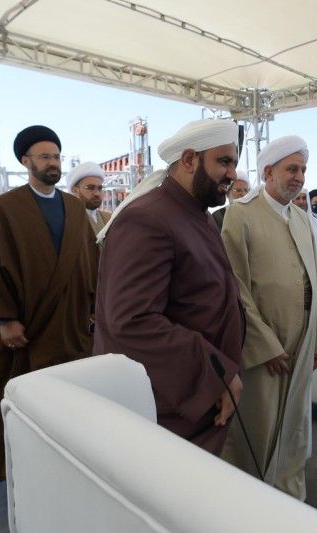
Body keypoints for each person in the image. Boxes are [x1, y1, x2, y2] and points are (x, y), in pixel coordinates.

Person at [93, 119, 244, 455]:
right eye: (224, 161)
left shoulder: (198, 214)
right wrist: (213, 374)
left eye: (233, 163)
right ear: (189, 160)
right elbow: (133, 319)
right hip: (169, 405)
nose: (232, 174)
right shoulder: (148, 218)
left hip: (198, 403)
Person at [0, 125, 97, 481]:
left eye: (56, 157)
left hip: (69, 328)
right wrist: (4, 318)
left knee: (72, 412)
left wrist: (94, 305)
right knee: (27, 414)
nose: (53, 163)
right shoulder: (3, 208)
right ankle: (26, 478)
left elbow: (90, 260)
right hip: (24, 332)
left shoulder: (74, 207)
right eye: (44, 157)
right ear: (26, 161)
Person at [221, 135, 317, 500]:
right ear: (268, 172)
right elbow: (235, 287)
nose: (300, 177)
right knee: (259, 425)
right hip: (264, 346)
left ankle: (288, 493)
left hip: (301, 341)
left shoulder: (302, 218)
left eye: (303, 170)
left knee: (295, 424)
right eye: (292, 169)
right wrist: (266, 346)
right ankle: (252, 502)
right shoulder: (241, 214)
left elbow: (315, 282)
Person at [67, 161, 111, 235]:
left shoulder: (108, 218)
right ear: (75, 191)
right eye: (90, 188)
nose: (97, 193)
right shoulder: (67, 219)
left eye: (99, 188)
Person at [293, 188, 317, 267]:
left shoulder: (315, 223)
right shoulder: (287, 221)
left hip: (314, 269)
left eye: (304, 198)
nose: (301, 202)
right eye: (297, 198)